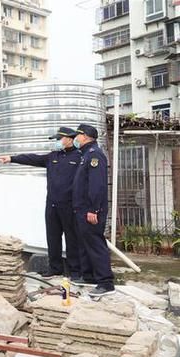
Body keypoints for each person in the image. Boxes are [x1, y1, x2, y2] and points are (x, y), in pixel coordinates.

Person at [0, 127, 81, 279]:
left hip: (69, 205)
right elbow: (33, 159)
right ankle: (55, 268)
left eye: (59, 139)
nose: (56, 142)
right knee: (53, 238)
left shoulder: (79, 157)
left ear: (69, 139)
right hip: (52, 205)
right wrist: (12, 158)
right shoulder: (53, 156)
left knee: (72, 239)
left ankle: (75, 272)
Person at [72, 124, 115, 298]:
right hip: (83, 209)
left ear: (86, 136)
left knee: (96, 245)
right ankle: (89, 276)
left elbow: (97, 186)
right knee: (85, 244)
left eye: (78, 135)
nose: (76, 138)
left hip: (91, 210)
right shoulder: (86, 154)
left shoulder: (94, 155)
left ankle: (105, 282)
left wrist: (93, 209)